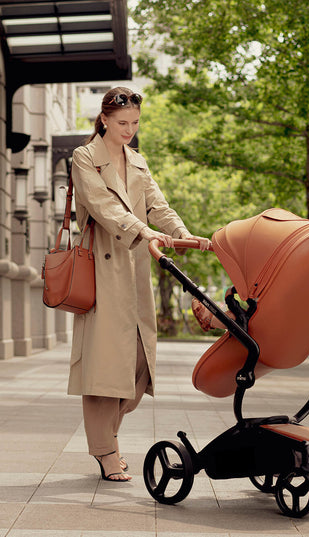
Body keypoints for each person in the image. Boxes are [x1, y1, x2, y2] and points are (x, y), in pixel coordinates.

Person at [67, 87, 211, 482]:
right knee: (103, 364)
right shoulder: (85, 158)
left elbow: (157, 203)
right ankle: (107, 451)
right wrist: (144, 231)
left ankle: (106, 439)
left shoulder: (138, 161)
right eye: (122, 122)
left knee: (138, 362)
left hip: (135, 269)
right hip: (103, 269)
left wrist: (182, 234)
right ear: (105, 120)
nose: (129, 129)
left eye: (134, 123)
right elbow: (103, 206)